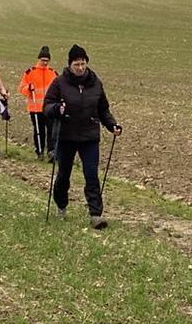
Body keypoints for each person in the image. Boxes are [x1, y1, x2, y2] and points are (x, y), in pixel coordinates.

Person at [44, 44, 122, 230]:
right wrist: (57, 109)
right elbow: (46, 106)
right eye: (77, 64)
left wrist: (112, 125)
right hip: (66, 136)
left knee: (91, 175)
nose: (80, 68)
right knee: (63, 175)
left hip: (89, 136)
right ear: (70, 64)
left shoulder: (96, 83)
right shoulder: (59, 82)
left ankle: (96, 215)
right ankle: (61, 205)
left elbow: (103, 109)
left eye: (83, 64)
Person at [18, 45, 58, 161]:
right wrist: (28, 88)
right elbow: (21, 88)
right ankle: (39, 151)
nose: (45, 63)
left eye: (47, 60)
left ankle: (51, 152)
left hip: (50, 108)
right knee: (39, 131)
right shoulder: (30, 72)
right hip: (35, 107)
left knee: (51, 130)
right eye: (43, 60)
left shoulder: (53, 73)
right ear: (39, 59)